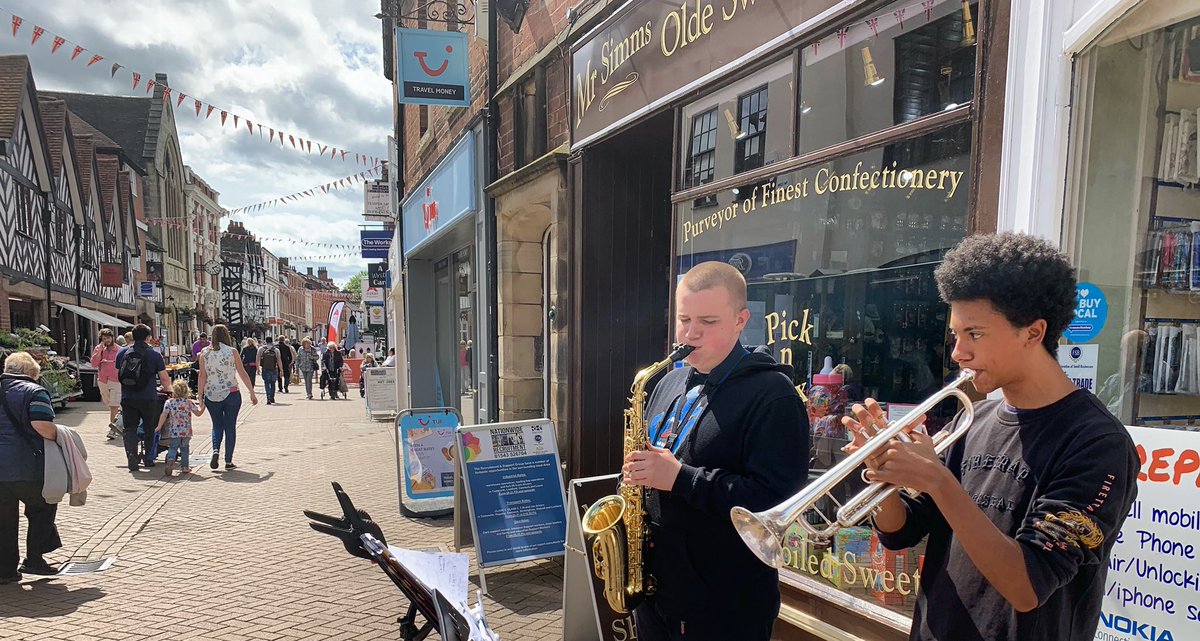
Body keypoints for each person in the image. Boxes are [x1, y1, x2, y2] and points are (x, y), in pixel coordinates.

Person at [843, 233, 1139, 641]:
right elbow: (900, 534)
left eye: (975, 334)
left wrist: (937, 480)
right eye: (956, 334)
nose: (957, 352)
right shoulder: (974, 420)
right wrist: (884, 477)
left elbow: (1027, 586)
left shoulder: (1097, 443)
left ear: (1033, 333)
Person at [622, 261, 809, 641]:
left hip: (723, 603)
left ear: (741, 321)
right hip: (659, 591)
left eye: (708, 322)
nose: (690, 333)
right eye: (684, 319)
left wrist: (680, 478)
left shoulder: (773, 395)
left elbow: (776, 502)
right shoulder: (668, 380)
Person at [0, 352, 62, 582]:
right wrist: (62, 436)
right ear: (31, 373)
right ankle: (34, 559)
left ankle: (5, 571)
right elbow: (42, 426)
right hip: (26, 464)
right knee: (43, 506)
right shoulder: (34, 392)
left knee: (3, 519)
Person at [197, 324, 258, 471]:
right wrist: (251, 392)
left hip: (212, 394)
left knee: (217, 425)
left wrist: (200, 396)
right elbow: (242, 373)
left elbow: (202, 376)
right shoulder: (232, 351)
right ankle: (228, 460)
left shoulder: (204, 353)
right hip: (231, 393)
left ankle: (216, 450)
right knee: (230, 426)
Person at [116, 324, 171, 471]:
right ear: (148, 338)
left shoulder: (122, 353)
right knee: (149, 428)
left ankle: (131, 455)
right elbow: (164, 379)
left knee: (130, 428)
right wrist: (169, 391)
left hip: (128, 397)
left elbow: (119, 374)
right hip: (148, 397)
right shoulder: (154, 355)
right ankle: (148, 458)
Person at [156, 379, 203, 477]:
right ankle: (185, 467)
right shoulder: (189, 402)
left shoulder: (169, 402)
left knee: (173, 447)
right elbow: (198, 413)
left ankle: (170, 460)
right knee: (185, 448)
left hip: (173, 430)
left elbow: (163, 415)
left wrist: (159, 426)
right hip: (186, 431)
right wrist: (203, 406)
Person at [89, 328, 122, 437]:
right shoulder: (99, 349)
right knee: (109, 404)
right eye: (104, 339)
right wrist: (99, 352)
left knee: (113, 406)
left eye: (108, 338)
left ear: (113, 337)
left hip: (116, 380)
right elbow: (94, 364)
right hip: (103, 380)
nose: (107, 340)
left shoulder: (119, 350)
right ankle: (119, 420)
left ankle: (113, 429)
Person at [258, 337, 281, 405]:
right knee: (273, 383)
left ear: (265, 341)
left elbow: (258, 359)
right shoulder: (276, 350)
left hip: (265, 368)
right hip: (274, 368)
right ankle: (272, 397)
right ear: (272, 341)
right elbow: (279, 360)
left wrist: (257, 368)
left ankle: (268, 397)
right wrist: (281, 370)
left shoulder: (261, 349)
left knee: (267, 383)